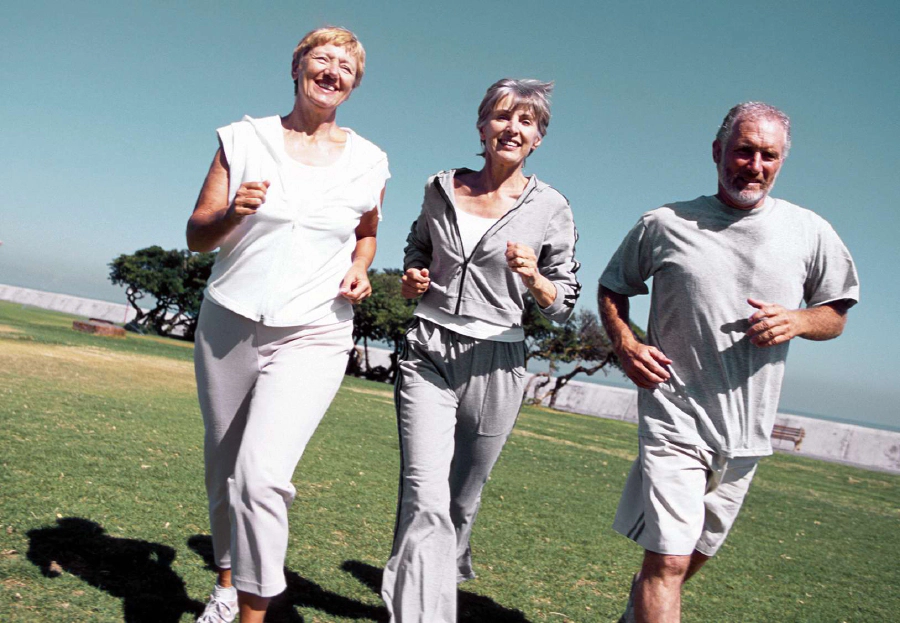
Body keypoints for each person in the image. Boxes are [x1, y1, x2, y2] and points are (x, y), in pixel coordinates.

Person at [599, 102, 859, 623]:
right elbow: (612, 288)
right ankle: (654, 589)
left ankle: (641, 607)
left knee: (692, 555)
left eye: (768, 155)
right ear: (719, 152)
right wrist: (626, 345)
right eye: (744, 151)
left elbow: (835, 314)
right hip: (674, 416)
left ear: (782, 161)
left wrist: (798, 321)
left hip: (747, 432)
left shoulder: (809, 232)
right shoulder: (664, 223)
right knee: (668, 560)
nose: (754, 165)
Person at [186, 27, 389, 623]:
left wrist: (359, 266)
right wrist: (231, 215)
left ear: (354, 85)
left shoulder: (369, 159)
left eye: (345, 66)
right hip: (230, 321)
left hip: (316, 330)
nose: (331, 71)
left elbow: (367, 232)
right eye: (320, 59)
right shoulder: (242, 139)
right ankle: (227, 586)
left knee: (261, 476)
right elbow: (197, 235)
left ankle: (254, 612)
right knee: (224, 470)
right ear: (296, 67)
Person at [380, 78, 581, 623]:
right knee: (423, 493)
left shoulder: (552, 207)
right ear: (481, 125)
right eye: (501, 117)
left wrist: (535, 279)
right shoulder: (440, 187)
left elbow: (563, 299)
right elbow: (417, 247)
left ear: (538, 138)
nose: (511, 129)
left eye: (526, 122)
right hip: (428, 348)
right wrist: (413, 279)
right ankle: (419, 614)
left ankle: (436, 581)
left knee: (460, 502)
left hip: (498, 359)